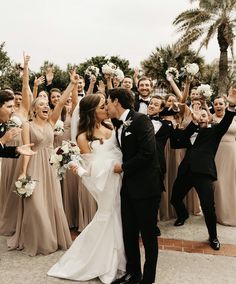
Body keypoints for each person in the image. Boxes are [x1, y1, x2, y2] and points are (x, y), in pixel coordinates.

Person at [47, 94, 126, 283]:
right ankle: (100, 261)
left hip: (119, 178)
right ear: (91, 112)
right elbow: (91, 168)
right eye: (101, 107)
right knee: (108, 214)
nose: (106, 109)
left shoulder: (111, 127)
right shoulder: (83, 137)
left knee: (118, 215)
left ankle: (117, 258)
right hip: (105, 181)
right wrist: (107, 167)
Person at [7, 72, 77, 256]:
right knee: (35, 204)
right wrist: (23, 173)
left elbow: (61, 102)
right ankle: (39, 239)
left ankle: (51, 238)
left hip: (49, 166)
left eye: (46, 105)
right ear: (35, 109)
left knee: (51, 202)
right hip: (33, 165)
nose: (46, 106)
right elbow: (26, 149)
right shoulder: (27, 125)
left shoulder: (52, 122)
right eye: (41, 105)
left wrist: (71, 84)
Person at [106, 88, 162, 284]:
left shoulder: (141, 120)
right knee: (129, 233)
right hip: (128, 188)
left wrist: (123, 167)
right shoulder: (118, 125)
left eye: (108, 101)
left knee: (147, 235)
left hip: (147, 188)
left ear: (116, 101)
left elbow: (148, 153)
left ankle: (148, 278)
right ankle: (133, 274)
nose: (106, 106)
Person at [170, 88, 236, 250]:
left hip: (203, 172)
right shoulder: (192, 129)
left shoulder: (214, 131)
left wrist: (232, 107)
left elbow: (226, 122)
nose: (202, 116)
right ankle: (183, 214)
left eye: (205, 115)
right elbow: (177, 143)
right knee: (175, 199)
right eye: (200, 115)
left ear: (210, 117)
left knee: (208, 207)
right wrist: (193, 123)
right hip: (186, 171)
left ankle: (213, 237)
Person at [212, 96, 236, 226]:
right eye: (215, 104)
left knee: (232, 183)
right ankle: (220, 213)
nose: (218, 106)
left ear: (226, 105)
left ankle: (233, 212)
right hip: (217, 153)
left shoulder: (234, 118)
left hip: (232, 152)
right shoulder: (211, 118)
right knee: (218, 183)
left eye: (220, 103)